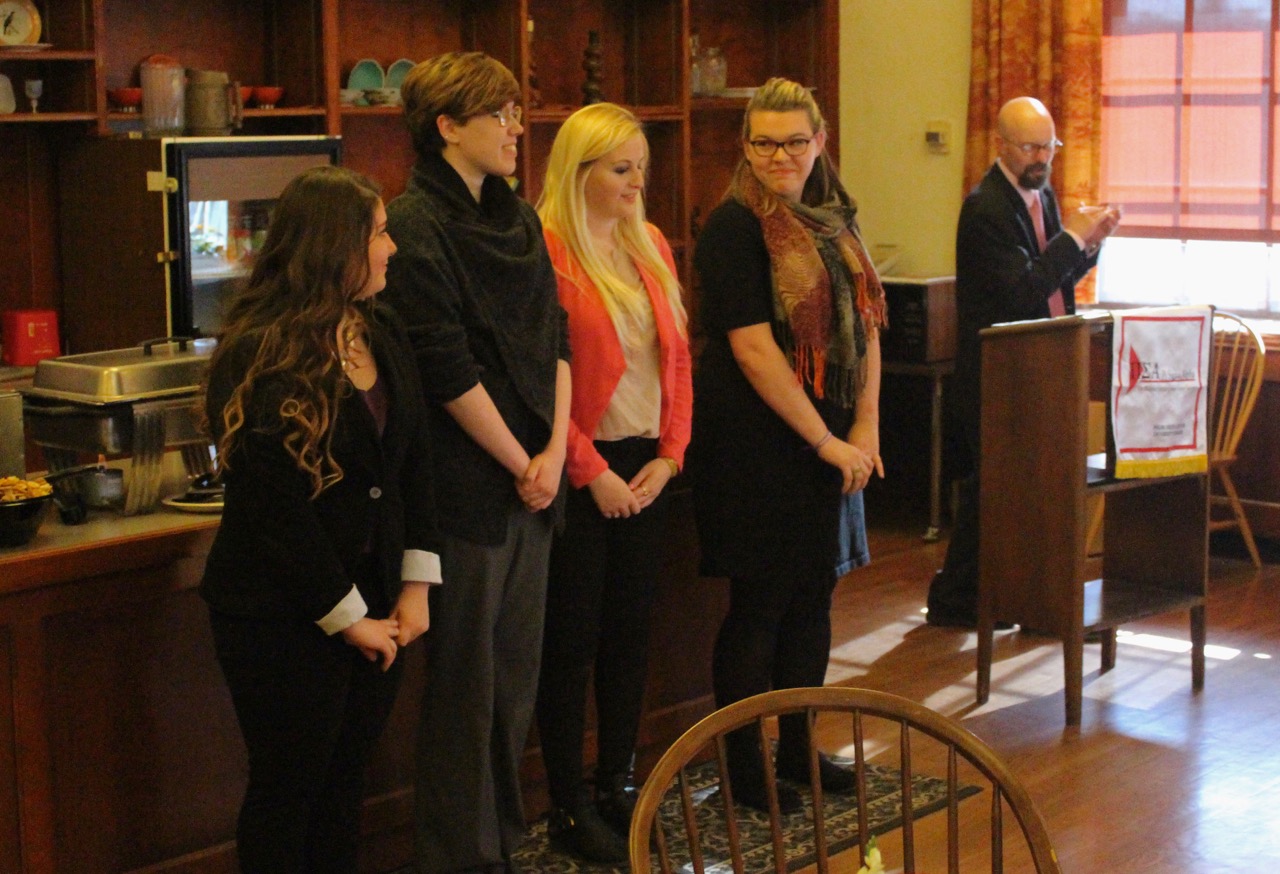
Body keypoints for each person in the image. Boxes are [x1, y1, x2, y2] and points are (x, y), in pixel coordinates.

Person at [200, 165, 440, 873]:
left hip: (377, 601)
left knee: (344, 788)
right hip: (279, 614)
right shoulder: (257, 349)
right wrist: (348, 617)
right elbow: (272, 509)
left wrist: (416, 583)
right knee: (289, 790)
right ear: (335, 247)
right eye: (379, 234)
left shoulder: (380, 329)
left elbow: (414, 462)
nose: (392, 248)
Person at [379, 51, 571, 874]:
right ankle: (460, 855)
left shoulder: (518, 216)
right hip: (466, 489)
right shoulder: (415, 222)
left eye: (517, 112)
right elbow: (445, 367)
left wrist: (553, 451)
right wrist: (522, 460)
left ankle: (505, 842)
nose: (517, 129)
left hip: (536, 479)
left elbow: (556, 336)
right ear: (448, 127)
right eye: (500, 114)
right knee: (465, 689)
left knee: (514, 682)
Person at [689, 77, 887, 813]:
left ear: (819, 142)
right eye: (765, 143)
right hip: (755, 445)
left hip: (827, 439)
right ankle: (745, 768)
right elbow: (751, 349)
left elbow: (867, 322)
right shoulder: (734, 227)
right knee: (761, 607)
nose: (781, 157)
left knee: (813, 601)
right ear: (745, 146)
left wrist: (865, 425)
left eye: (795, 142)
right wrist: (825, 441)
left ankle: (799, 751)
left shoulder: (835, 219)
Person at [533, 102, 692, 862]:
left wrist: (671, 454)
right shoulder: (545, 250)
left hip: (646, 466)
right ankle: (567, 804)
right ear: (579, 171)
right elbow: (537, 382)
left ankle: (618, 785)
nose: (637, 184)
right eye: (621, 169)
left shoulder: (649, 242)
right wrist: (590, 472)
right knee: (572, 642)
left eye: (642, 169)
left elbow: (677, 359)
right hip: (579, 469)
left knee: (630, 636)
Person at [925, 96, 1121, 629]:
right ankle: (959, 599)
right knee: (994, 495)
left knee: (1025, 493)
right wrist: (1072, 237)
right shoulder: (985, 208)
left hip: (1046, 363)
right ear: (1001, 145)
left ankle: (1018, 597)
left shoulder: (1040, 194)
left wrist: (1089, 245)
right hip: (1000, 374)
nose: (1042, 158)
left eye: (1049, 146)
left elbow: (1052, 280)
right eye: (1031, 147)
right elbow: (1022, 293)